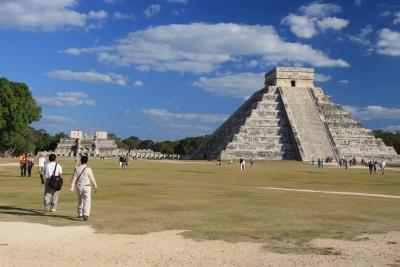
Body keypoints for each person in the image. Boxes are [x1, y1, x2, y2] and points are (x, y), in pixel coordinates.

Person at [69, 156, 98, 221]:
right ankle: (86, 214)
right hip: (87, 186)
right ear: (87, 161)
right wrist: (95, 185)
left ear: (81, 161)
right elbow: (92, 178)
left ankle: (80, 213)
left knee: (80, 200)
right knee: (87, 201)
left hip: (79, 186)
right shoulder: (88, 169)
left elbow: (74, 178)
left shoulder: (77, 168)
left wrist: (72, 187)